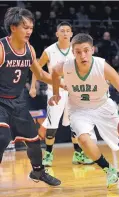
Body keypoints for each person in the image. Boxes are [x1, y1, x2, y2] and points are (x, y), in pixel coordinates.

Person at [49, 33, 119, 188]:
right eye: (78, 51)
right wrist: (56, 93)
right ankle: (109, 170)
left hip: (103, 107)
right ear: (72, 52)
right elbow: (54, 73)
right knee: (83, 140)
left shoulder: (102, 66)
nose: (82, 55)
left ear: (92, 50)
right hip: (78, 109)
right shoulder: (66, 66)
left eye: (86, 50)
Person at [0, 7, 61, 186]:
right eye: (25, 27)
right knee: (2, 138)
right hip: (1, 102)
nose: (29, 31)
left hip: (18, 102)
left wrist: (63, 84)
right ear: (13, 27)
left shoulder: (30, 50)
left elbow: (41, 75)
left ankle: (38, 172)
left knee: (34, 141)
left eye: (31, 28)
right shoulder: (2, 49)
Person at [29, 21, 94, 166]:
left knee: (75, 124)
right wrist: (33, 86)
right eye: (62, 31)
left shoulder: (76, 50)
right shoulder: (49, 50)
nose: (65, 33)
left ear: (72, 34)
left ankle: (78, 154)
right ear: (57, 33)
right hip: (55, 91)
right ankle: (48, 155)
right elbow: (37, 68)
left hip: (73, 92)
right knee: (52, 125)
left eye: (68, 31)